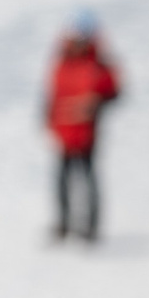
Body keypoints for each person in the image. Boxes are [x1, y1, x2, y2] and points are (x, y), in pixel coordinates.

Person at [43, 13, 120, 243]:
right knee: (62, 180)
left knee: (88, 179)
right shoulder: (61, 62)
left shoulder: (98, 64)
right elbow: (52, 95)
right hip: (64, 132)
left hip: (87, 133)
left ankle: (91, 226)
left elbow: (113, 91)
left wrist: (97, 103)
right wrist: (48, 121)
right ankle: (64, 223)